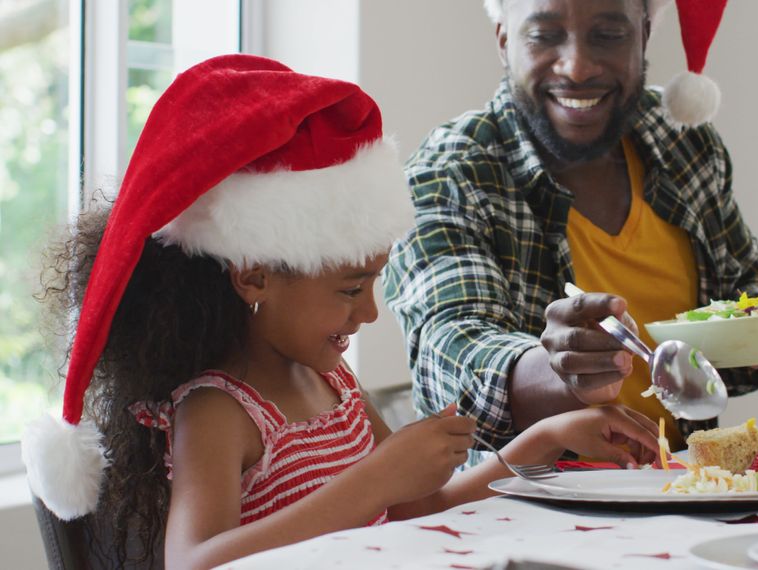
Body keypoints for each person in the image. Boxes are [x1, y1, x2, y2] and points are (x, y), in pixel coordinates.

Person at [22, 55, 659, 569]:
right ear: (254, 276)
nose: (371, 314)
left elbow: (422, 507)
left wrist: (545, 441)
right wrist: (375, 481)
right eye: (352, 289)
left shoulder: (332, 382)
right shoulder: (218, 410)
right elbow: (196, 561)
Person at [384, 0, 758, 462]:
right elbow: (448, 354)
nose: (577, 66)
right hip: (524, 514)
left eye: (608, 35)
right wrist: (554, 371)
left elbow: (726, 330)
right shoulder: (449, 171)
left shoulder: (685, 144)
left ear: (645, 36)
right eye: (545, 35)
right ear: (504, 40)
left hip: (688, 494)